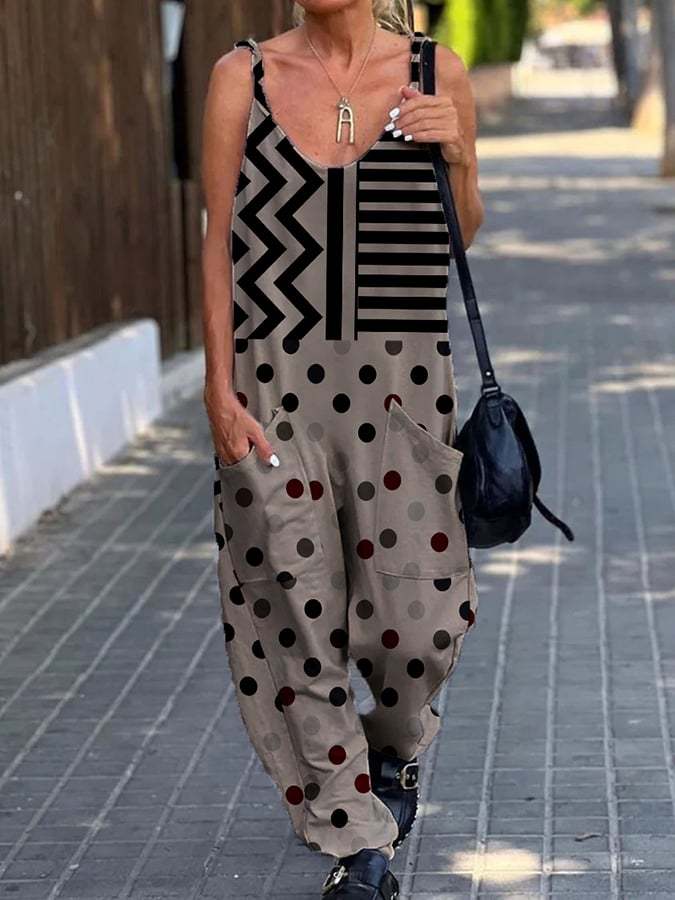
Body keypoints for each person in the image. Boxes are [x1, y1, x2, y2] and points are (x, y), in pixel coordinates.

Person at [201, 1, 484, 896]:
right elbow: (216, 243)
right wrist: (217, 387)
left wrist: (458, 153)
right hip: (274, 392)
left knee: (416, 626)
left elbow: (461, 233)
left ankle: (392, 750)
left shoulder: (435, 73)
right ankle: (355, 841)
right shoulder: (241, 79)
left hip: (405, 394)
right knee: (294, 615)